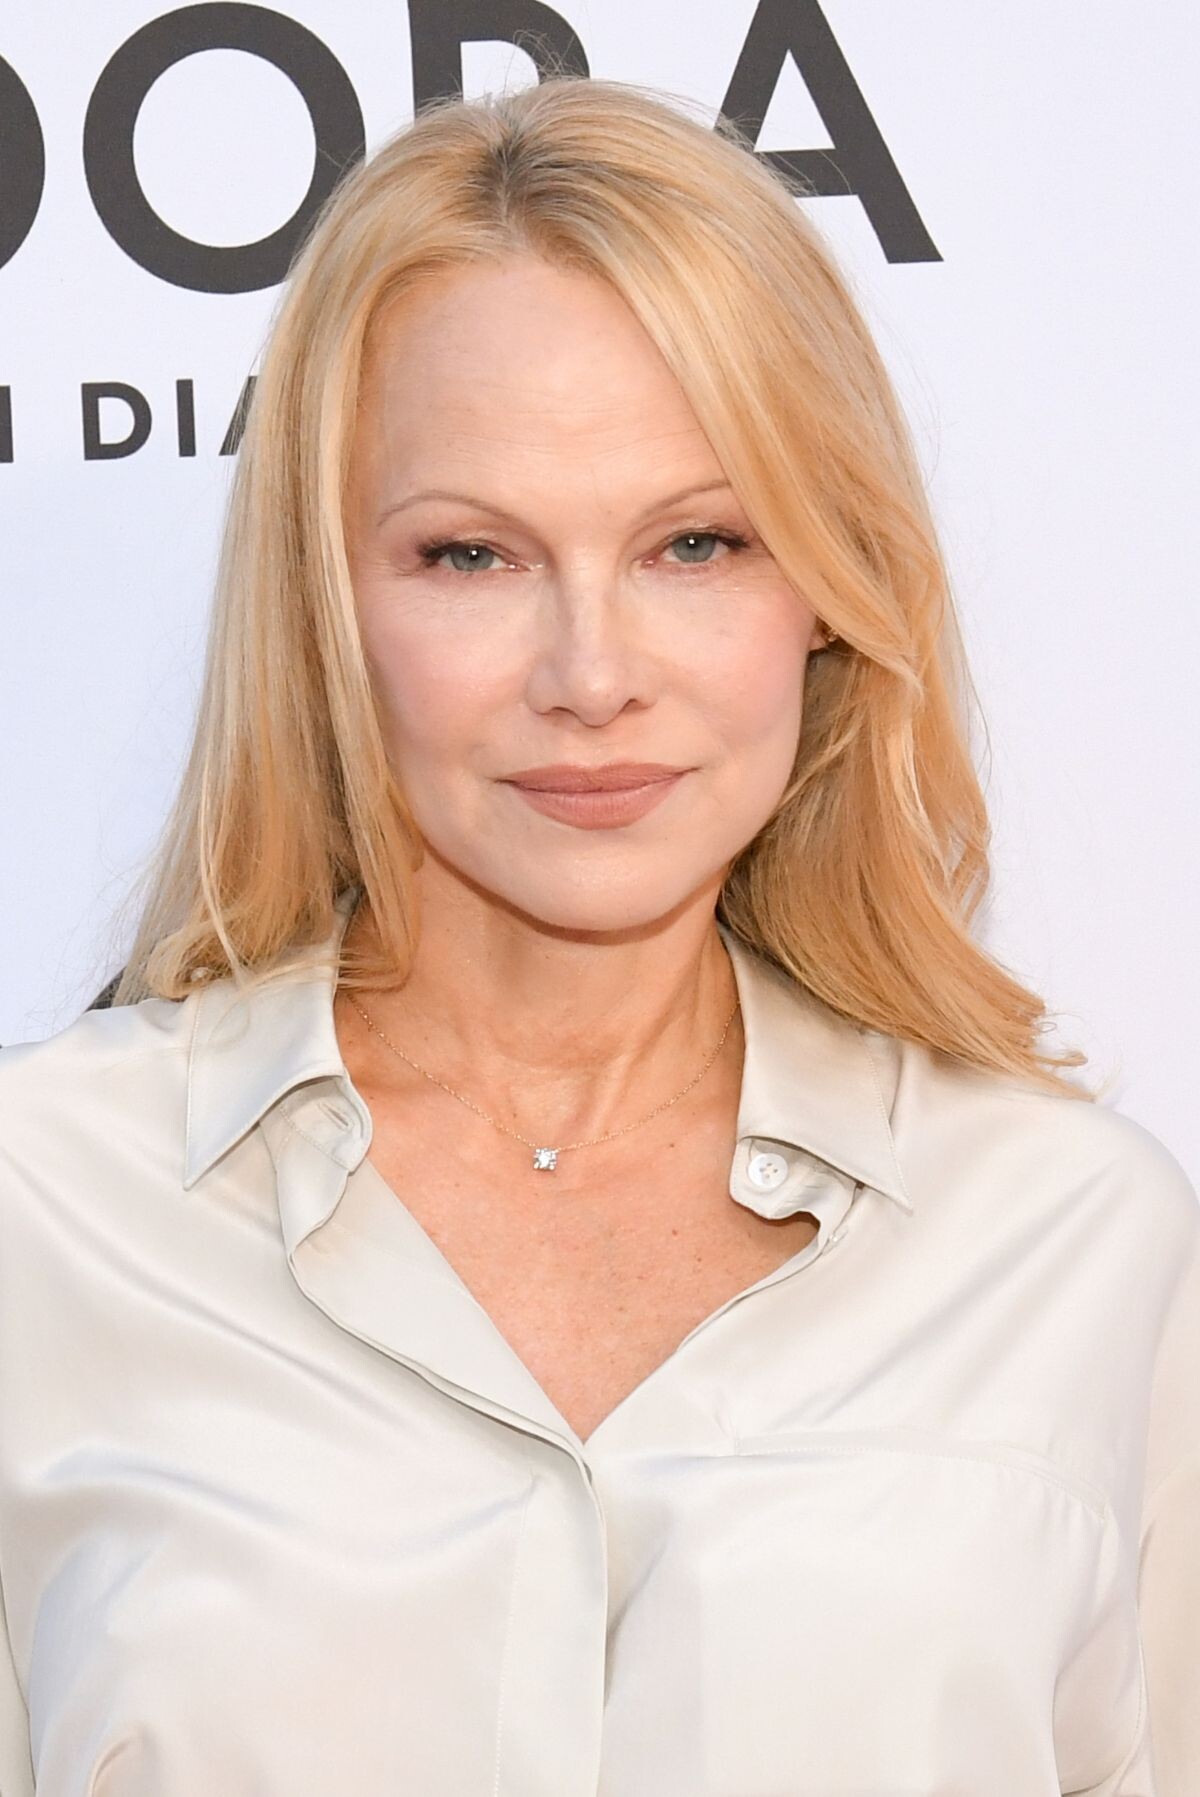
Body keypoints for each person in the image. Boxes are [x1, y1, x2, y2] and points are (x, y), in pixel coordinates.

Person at [0, 72, 1195, 1797]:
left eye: (695, 543)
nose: (591, 672)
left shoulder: (1077, 1238)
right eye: (471, 556)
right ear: (327, 604)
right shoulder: (44, 1206)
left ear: (828, 587)